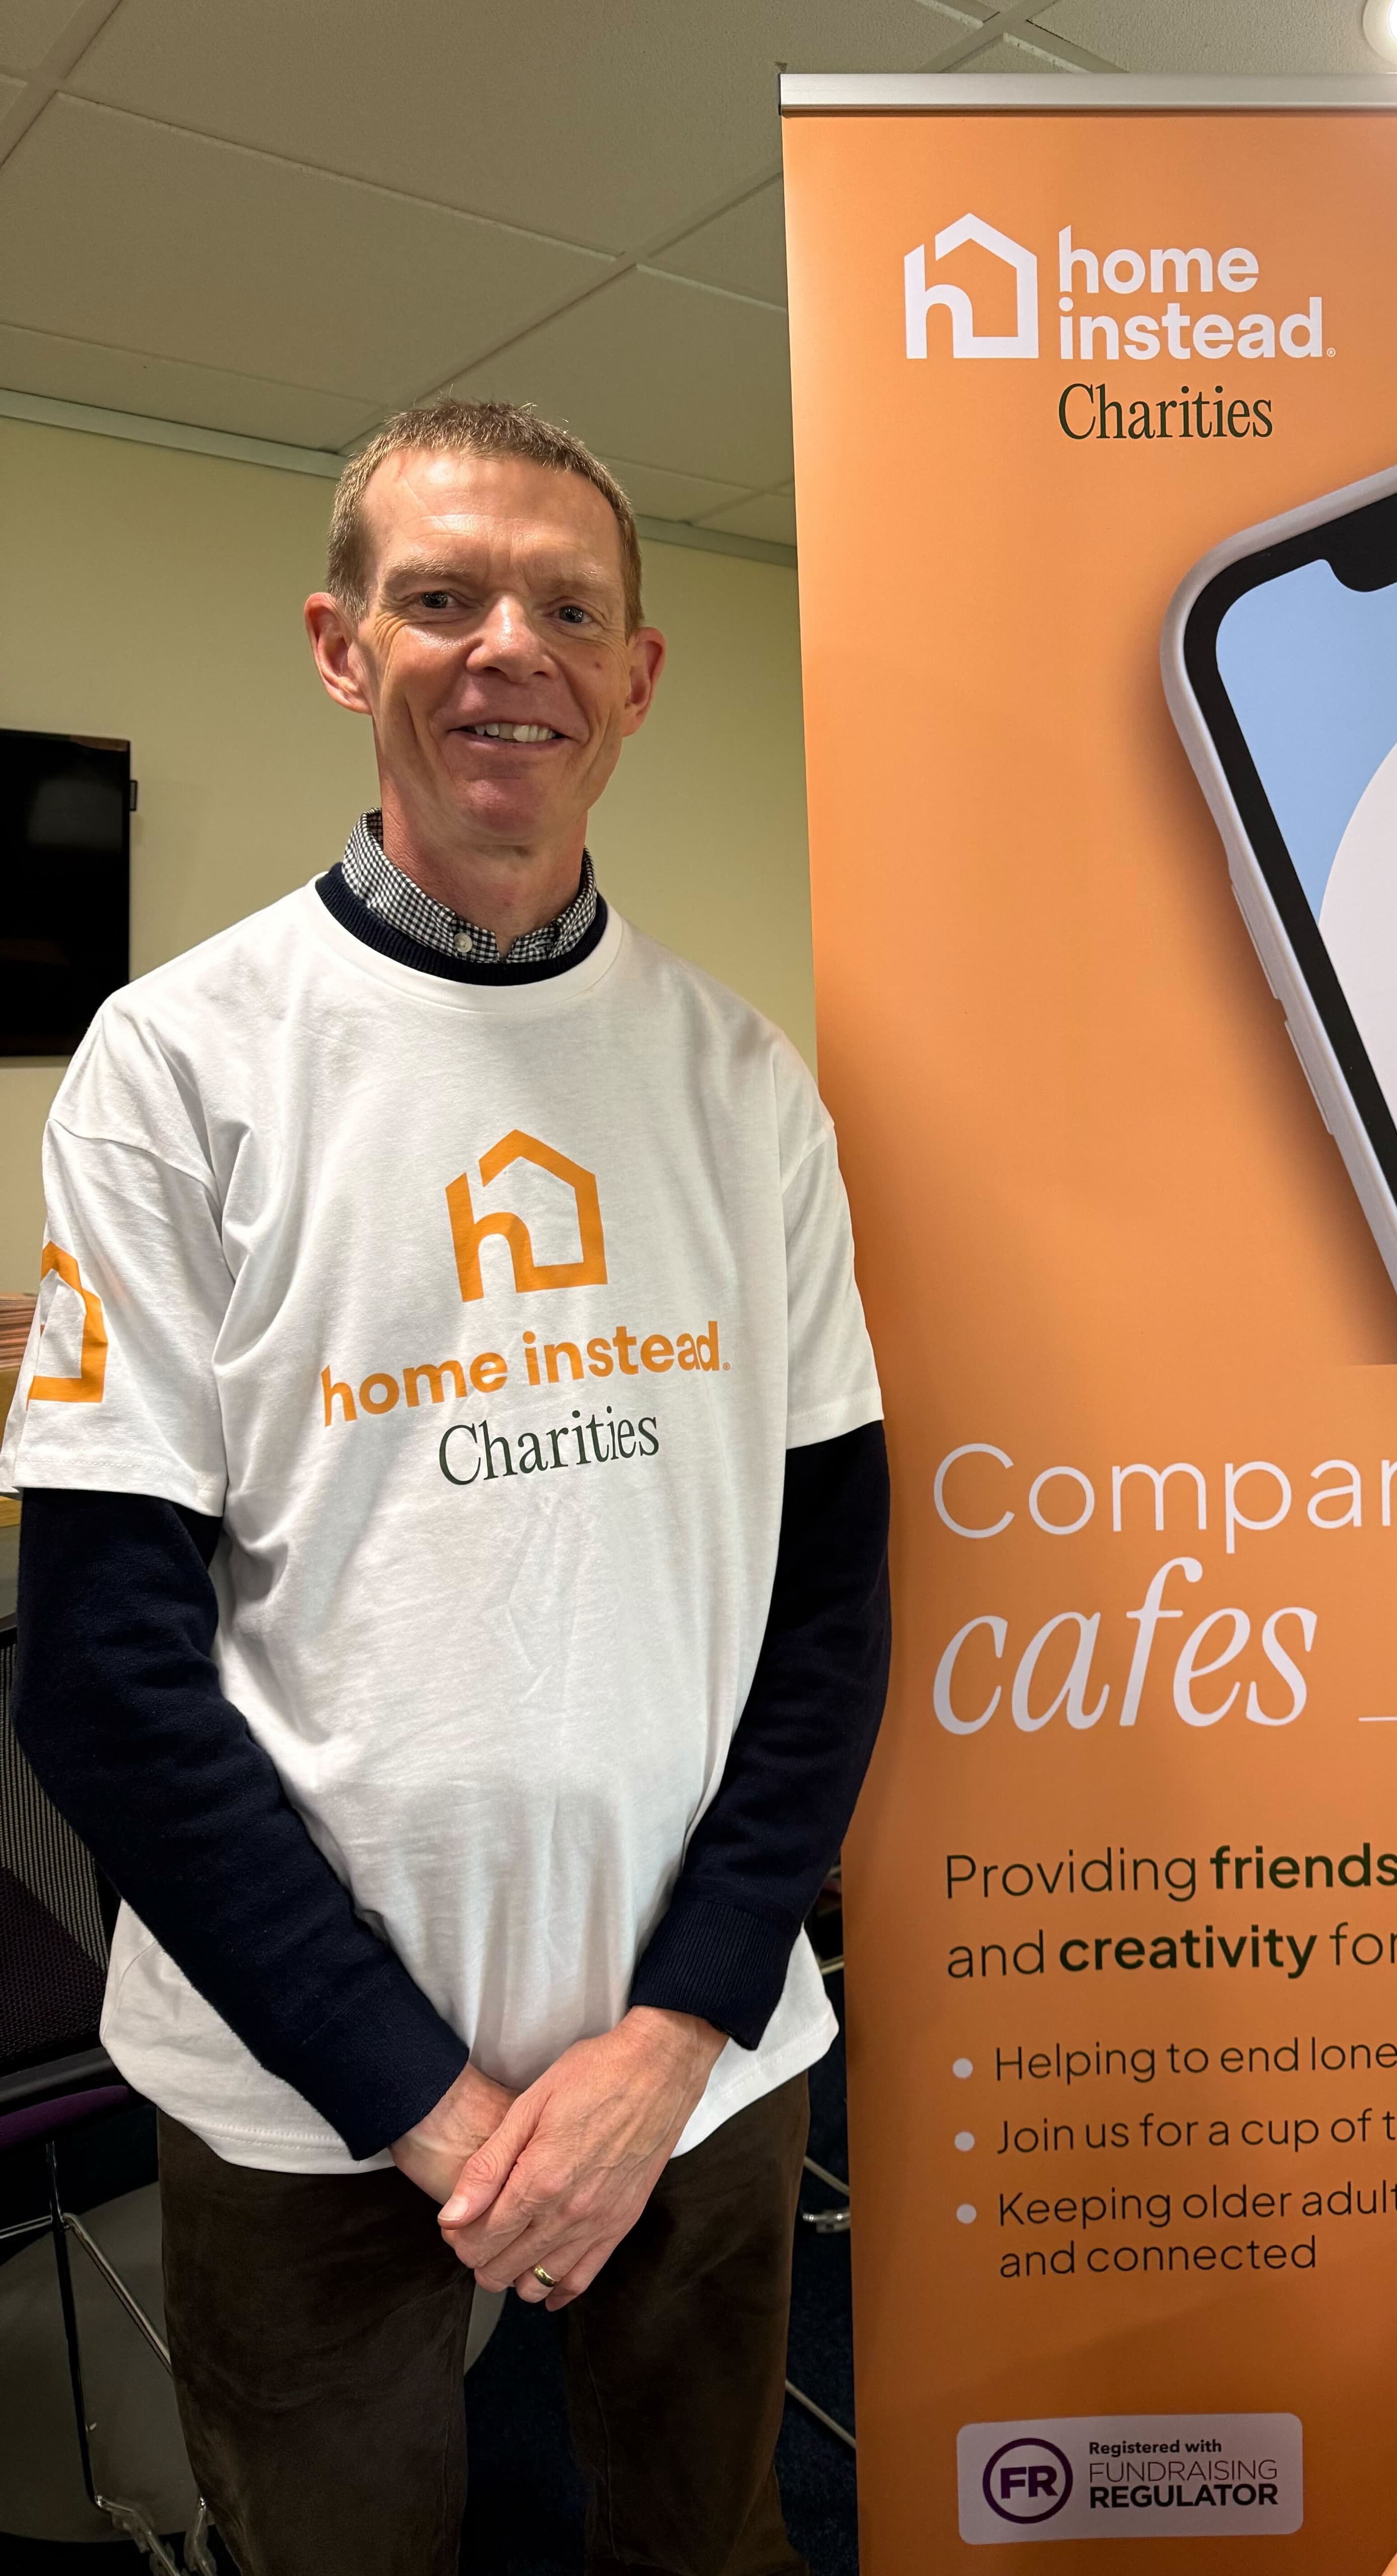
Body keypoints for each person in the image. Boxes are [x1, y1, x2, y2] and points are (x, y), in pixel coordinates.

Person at [1, 399, 890, 2576]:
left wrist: (669, 2035)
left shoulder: (738, 1083)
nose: (514, 649)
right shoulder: (179, 1065)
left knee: (709, 2538)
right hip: (304, 2100)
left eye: (570, 606)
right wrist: (444, 2107)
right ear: (339, 644)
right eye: (444, 597)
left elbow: (835, 1600)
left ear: (638, 675)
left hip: (706, 2068)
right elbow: (103, 1674)